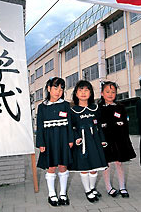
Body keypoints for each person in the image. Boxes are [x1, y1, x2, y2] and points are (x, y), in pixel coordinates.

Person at [36, 77, 73, 206]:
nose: (58, 91)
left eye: (61, 88)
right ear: (48, 88)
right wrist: (41, 143)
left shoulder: (65, 105)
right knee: (51, 166)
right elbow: (39, 126)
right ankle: (52, 194)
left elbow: (69, 124)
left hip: (63, 139)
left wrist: (70, 139)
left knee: (63, 165)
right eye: (55, 88)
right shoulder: (42, 107)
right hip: (49, 140)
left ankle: (63, 193)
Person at [69, 80, 108, 203]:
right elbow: (71, 127)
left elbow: (100, 125)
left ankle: (92, 188)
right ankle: (87, 191)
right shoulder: (73, 110)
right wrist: (76, 138)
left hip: (95, 141)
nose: (83, 93)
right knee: (85, 167)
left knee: (94, 167)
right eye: (80, 90)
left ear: (91, 93)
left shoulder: (95, 108)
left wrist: (102, 140)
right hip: (82, 142)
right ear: (76, 93)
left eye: (86, 90)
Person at [98, 81, 136, 198]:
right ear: (102, 93)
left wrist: (126, 141)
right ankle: (108, 187)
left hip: (119, 139)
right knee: (107, 164)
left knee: (119, 163)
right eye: (107, 92)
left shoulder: (120, 107)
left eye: (113, 92)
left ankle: (122, 187)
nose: (110, 94)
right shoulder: (98, 109)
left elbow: (125, 124)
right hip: (105, 140)